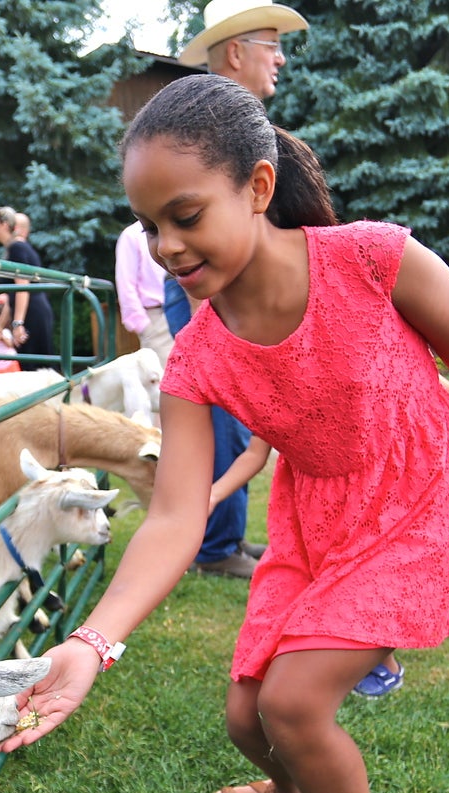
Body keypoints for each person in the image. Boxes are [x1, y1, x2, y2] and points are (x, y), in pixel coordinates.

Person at [0, 75, 449, 793]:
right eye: (148, 227)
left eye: (184, 214)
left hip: (418, 496)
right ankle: (287, 790)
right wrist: (94, 646)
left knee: (292, 703)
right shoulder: (197, 359)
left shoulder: (373, 257)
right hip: (316, 519)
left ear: (255, 186)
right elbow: (175, 516)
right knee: (247, 715)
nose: (167, 246)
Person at [178, 0, 310, 579]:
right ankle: (214, 546)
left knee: (243, 421)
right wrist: (208, 324)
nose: (281, 58)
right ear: (236, 52)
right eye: (271, 44)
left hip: (239, 305)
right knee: (226, 415)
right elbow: (188, 245)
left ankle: (226, 536)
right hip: (218, 303)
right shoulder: (203, 134)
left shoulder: (246, 130)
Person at [0, 205, 55, 361]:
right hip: (30, 311)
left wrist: (18, 324)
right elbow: (13, 296)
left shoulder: (17, 248)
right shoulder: (15, 248)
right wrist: (0, 326)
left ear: (4, 225)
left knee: (36, 367)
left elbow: (22, 287)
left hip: (32, 312)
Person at [115, 221, 176, 367]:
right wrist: (144, 326)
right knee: (163, 379)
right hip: (156, 319)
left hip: (184, 309)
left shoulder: (174, 227)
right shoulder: (131, 235)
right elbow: (125, 284)